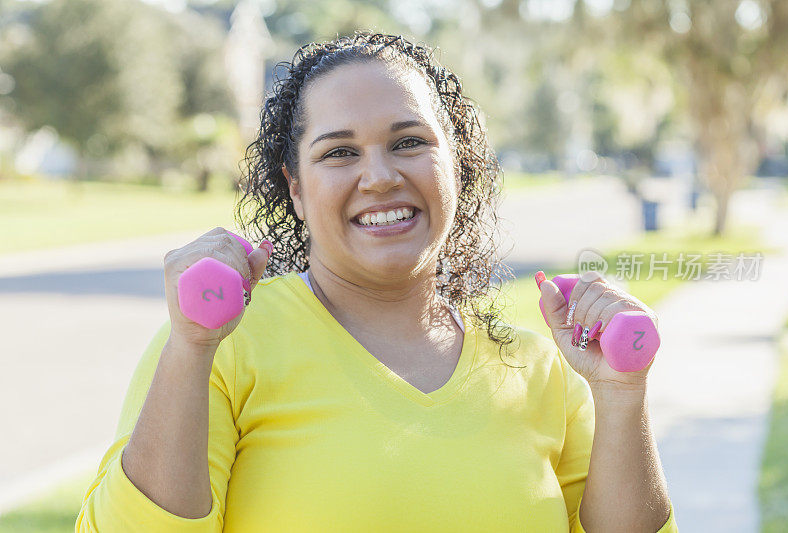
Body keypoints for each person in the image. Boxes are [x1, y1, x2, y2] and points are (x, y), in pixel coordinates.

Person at [76, 31, 678, 532]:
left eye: (409, 142)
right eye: (339, 153)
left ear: (458, 168)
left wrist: (622, 397)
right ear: (295, 188)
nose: (380, 176)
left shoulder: (544, 371)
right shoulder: (223, 347)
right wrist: (193, 345)